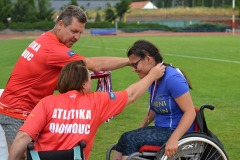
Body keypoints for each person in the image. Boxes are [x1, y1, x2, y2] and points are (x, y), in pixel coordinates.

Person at [0, 5, 129, 149]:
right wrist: (130, 61)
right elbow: (94, 64)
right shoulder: (53, 49)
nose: (77, 37)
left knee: (39, 152)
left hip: (20, 108)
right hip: (16, 111)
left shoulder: (45, 38)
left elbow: (48, 81)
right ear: (60, 24)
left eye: (80, 33)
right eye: (74, 31)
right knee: (25, 155)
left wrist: (83, 78)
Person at [8, 60, 166, 160]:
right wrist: (152, 75)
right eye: (90, 79)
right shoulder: (97, 101)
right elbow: (130, 95)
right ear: (84, 84)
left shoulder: (46, 102)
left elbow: (23, 137)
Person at [112, 40, 196, 160]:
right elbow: (154, 107)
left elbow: (190, 112)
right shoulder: (154, 76)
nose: (133, 69)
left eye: (135, 64)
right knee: (125, 137)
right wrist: (141, 126)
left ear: (148, 59)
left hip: (174, 132)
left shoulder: (172, 78)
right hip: (161, 130)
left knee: (131, 139)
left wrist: (174, 139)